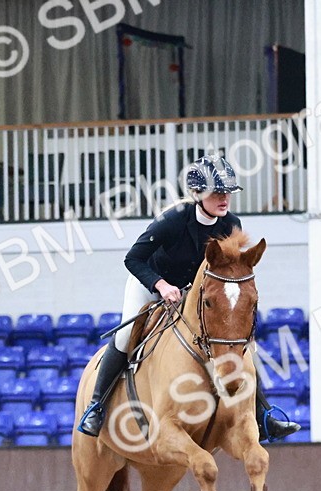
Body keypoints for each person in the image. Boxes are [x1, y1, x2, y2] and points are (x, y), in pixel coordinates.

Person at [77, 154, 301, 442]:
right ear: (198, 194)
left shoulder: (230, 223)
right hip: (151, 282)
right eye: (217, 193)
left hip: (195, 293)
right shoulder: (172, 221)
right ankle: (97, 406)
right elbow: (133, 259)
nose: (224, 199)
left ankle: (264, 415)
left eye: (227, 193)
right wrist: (160, 285)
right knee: (123, 337)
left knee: (239, 344)